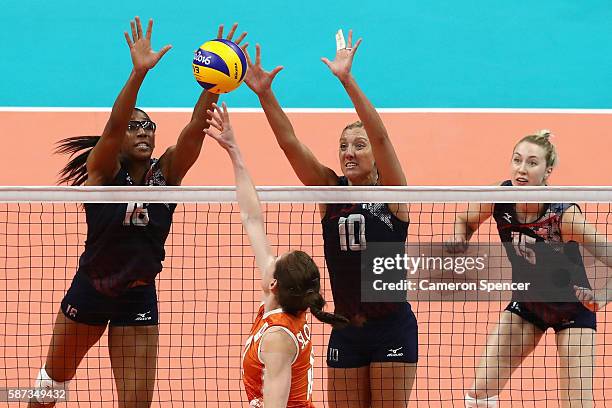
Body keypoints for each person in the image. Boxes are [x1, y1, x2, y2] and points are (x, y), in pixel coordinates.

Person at [29, 18, 247, 407]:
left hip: (138, 296)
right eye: (135, 127)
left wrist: (216, 81)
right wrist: (138, 73)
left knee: (136, 404)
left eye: (149, 126)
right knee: (49, 386)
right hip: (92, 289)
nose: (144, 131)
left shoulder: (167, 174)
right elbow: (113, 126)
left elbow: (196, 127)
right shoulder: (103, 172)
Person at [244, 30, 417, 408]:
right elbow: (290, 144)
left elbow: (383, 138)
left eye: (358, 146)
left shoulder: (392, 195)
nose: (348, 153)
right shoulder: (329, 193)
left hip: (392, 328)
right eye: (342, 147)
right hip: (345, 328)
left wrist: (347, 80)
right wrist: (264, 94)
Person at [447, 130, 612, 408]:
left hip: (572, 310)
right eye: (517, 160)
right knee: (479, 395)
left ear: (547, 171)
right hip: (527, 304)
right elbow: (464, 218)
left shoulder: (563, 215)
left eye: (532, 163)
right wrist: (459, 238)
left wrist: (603, 296)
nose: (521, 169)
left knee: (579, 404)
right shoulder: (500, 198)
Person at [203, 102, 348, 408]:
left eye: (275, 260)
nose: (270, 257)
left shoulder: (278, 338)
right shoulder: (281, 310)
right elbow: (252, 217)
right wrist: (233, 150)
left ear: (273, 284)